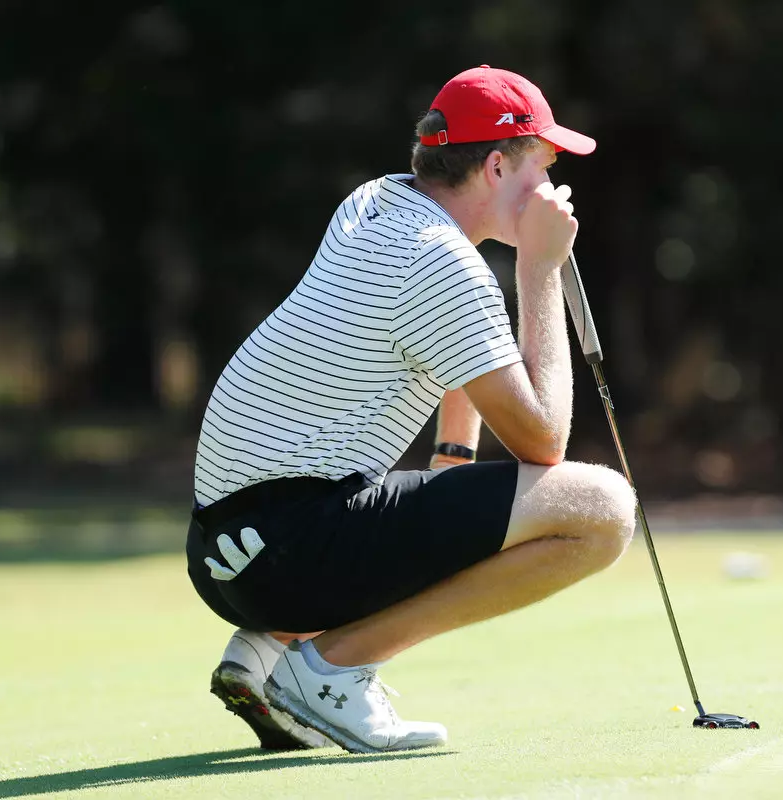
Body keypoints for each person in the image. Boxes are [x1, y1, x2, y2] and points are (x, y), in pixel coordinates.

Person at [188, 65, 637, 754]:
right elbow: (544, 443)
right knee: (601, 511)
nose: (549, 187)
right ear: (495, 166)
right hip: (288, 547)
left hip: (225, 554)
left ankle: (268, 647)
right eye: (541, 166)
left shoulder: (376, 203)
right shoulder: (440, 264)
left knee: (437, 509)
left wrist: (451, 460)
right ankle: (331, 671)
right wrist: (539, 272)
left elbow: (454, 341)